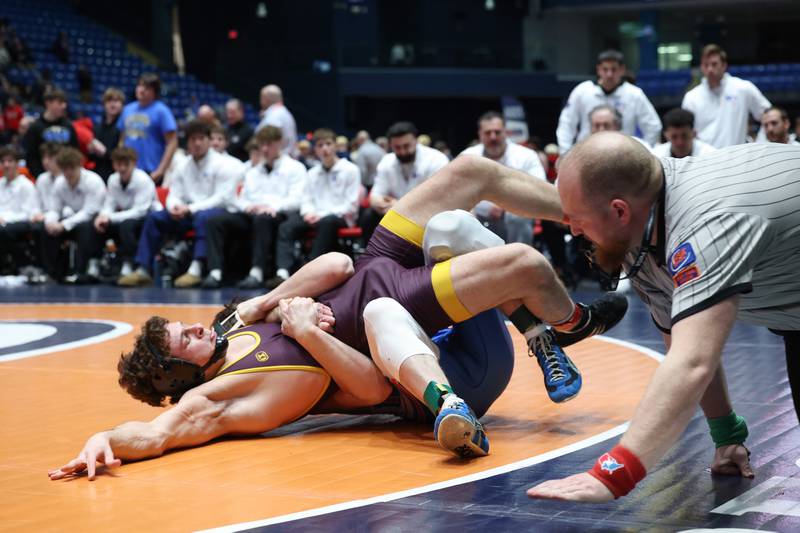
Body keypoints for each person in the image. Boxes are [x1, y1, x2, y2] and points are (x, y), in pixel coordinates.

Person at [49, 155, 629, 479]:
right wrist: (104, 437)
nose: (198, 327)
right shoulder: (216, 398)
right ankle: (530, 347)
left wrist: (265, 300)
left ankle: (588, 217)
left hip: (383, 267)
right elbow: (157, 434)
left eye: (187, 326)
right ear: (177, 377)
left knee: (466, 185)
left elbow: (331, 262)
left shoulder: (235, 325)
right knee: (519, 265)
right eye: (185, 340)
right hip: (418, 341)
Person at [526, 131, 796, 503]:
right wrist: (727, 435)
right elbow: (680, 336)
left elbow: (692, 362)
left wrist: (615, 473)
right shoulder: (650, 208)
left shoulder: (703, 227)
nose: (572, 230)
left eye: (579, 219)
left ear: (619, 211)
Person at [117, 120, 243, 288]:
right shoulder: (182, 165)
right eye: (193, 139)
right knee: (155, 218)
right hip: (186, 212)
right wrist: (173, 206)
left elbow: (221, 198)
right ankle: (143, 269)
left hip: (215, 212)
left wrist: (189, 208)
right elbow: (174, 193)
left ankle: (196, 268)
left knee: (203, 217)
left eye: (201, 138)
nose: (197, 143)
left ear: (208, 140)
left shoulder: (224, 164)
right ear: (188, 143)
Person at [202, 125, 307, 289]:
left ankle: (257, 272)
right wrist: (249, 206)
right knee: (215, 221)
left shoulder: (294, 168)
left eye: (269, 144)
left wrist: (271, 206)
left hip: (281, 214)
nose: (265, 149)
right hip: (255, 214)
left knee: (262, 219)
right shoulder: (253, 171)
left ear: (279, 143)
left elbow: (297, 200)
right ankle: (215, 272)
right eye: (261, 144)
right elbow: (240, 198)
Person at [269, 128, 361, 289]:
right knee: (287, 226)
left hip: (339, 217)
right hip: (314, 216)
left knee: (327, 222)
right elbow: (306, 200)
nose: (324, 148)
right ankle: (282, 272)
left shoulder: (350, 170)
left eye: (328, 144)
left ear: (335, 146)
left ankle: (309, 272)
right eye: (320, 145)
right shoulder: (312, 173)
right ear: (315, 149)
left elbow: (351, 205)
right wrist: (308, 213)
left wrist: (320, 215)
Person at [461, 111, 546, 244]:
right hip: (478, 216)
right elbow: (458, 190)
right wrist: (471, 210)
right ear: (480, 135)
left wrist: (506, 205)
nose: (493, 137)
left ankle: (519, 261)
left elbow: (540, 187)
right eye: (488, 133)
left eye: (497, 132)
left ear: (506, 132)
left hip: (514, 214)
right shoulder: (467, 157)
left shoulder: (526, 155)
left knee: (516, 216)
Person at [556, 49, 661, 154]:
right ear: (598, 69)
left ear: (622, 70)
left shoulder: (634, 94)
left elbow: (653, 126)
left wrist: (642, 154)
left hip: (623, 154)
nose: (609, 74)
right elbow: (566, 123)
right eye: (605, 69)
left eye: (614, 69)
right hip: (586, 153)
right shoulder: (582, 91)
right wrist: (565, 153)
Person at [362, 121, 449, 242]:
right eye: (397, 147)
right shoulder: (387, 161)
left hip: (428, 216)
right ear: (391, 145)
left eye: (406, 146)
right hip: (396, 216)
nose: (402, 152)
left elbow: (437, 199)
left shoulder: (436, 159)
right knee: (369, 215)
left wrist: (399, 207)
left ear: (416, 141)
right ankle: (370, 258)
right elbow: (375, 195)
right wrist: (380, 202)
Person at [91, 147, 162, 283]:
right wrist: (102, 216)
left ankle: (131, 263)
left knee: (126, 226)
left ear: (133, 163)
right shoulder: (113, 179)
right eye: (118, 164)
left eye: (126, 164)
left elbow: (139, 211)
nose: (122, 168)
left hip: (148, 218)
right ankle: (95, 263)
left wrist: (110, 217)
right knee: (97, 224)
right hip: (125, 216)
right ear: (113, 165)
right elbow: (109, 204)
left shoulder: (143, 180)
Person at [681, 44, 771, 149]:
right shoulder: (691, 97)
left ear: (724, 65)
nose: (710, 69)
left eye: (714, 64)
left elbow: (770, 115)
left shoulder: (743, 88)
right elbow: (685, 132)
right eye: (706, 65)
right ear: (701, 67)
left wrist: (761, 141)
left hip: (737, 158)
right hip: (704, 161)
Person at [40, 147, 106, 282]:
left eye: (72, 168)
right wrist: (50, 222)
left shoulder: (93, 181)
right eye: (65, 169)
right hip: (73, 219)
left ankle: (80, 271)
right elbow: (54, 209)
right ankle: (52, 272)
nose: (68, 173)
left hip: (95, 220)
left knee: (84, 227)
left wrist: (63, 225)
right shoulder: (60, 183)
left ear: (79, 166)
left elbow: (89, 212)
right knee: (46, 229)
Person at [118, 73, 178, 184]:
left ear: (155, 92)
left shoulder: (162, 111)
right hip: (127, 169)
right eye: (139, 85)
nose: (141, 90)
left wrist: (161, 170)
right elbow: (122, 139)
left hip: (151, 170)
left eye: (147, 87)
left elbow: (172, 142)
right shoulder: (127, 109)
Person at [0, 146, 39, 274]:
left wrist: (5, 219)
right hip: (3, 221)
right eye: (3, 161)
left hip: (21, 222)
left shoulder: (26, 185)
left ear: (17, 164)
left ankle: (18, 264)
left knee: (3, 230)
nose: (6, 165)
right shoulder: (0, 183)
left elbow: (28, 213)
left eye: (10, 161)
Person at [22, 88, 78, 177]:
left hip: (66, 176)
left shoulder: (68, 126)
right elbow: (31, 156)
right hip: (44, 177)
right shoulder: (35, 127)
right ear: (48, 103)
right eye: (60, 103)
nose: (64, 106)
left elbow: (75, 152)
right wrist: (40, 176)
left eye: (64, 103)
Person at [88, 87, 124, 181]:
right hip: (98, 175)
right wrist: (90, 150)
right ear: (104, 104)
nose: (112, 104)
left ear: (122, 105)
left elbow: (123, 156)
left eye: (116, 101)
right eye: (109, 101)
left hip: (117, 176)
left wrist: (105, 152)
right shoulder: (97, 128)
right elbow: (91, 158)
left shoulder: (124, 128)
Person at [651, 108, 717, 158]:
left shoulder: (710, 155)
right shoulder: (656, 156)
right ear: (666, 135)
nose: (680, 142)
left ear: (694, 133)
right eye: (674, 137)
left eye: (685, 136)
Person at [256, 84, 297, 156]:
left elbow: (267, 141)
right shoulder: (286, 113)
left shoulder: (273, 116)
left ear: (266, 99)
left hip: (276, 160)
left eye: (261, 98)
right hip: (284, 158)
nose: (260, 102)